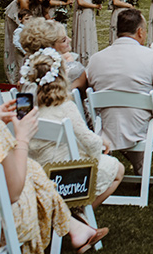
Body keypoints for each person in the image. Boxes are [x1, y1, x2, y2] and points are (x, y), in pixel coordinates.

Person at [0, 38, 108, 254]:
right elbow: (13, 192)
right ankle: (74, 226)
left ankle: (76, 228)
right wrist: (22, 139)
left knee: (33, 169)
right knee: (34, 174)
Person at [86, 8, 153, 188]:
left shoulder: (95, 59)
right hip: (141, 131)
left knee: (127, 116)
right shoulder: (151, 57)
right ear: (140, 32)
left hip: (105, 130)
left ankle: (141, 170)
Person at [21, 48, 125, 209]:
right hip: (60, 175)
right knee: (117, 169)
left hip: (30, 171)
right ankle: (78, 217)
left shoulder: (24, 105)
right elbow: (90, 142)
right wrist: (102, 144)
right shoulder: (65, 106)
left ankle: (74, 220)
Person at [19, 17, 87, 91]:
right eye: (64, 40)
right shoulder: (75, 71)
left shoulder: (28, 69)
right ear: (50, 48)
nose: (69, 40)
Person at [4, 0, 51, 84]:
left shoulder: (44, 0)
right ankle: (15, 78)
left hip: (30, 18)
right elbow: (26, 17)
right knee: (19, 42)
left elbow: (45, 13)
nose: (41, 1)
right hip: (18, 17)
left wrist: (51, 23)